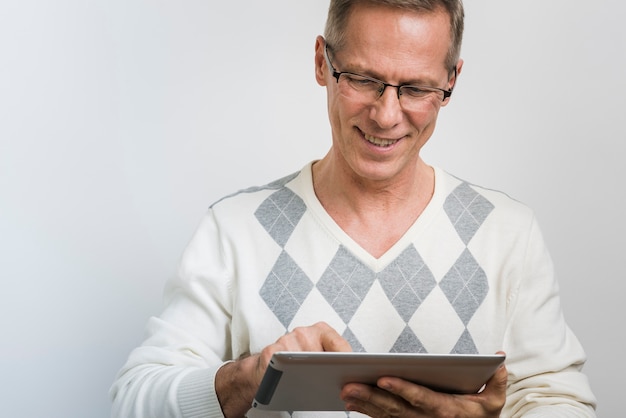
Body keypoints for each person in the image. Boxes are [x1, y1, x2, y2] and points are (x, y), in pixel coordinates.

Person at [110, 1, 597, 417]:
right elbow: (133, 400)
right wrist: (249, 376)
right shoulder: (234, 231)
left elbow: (562, 400)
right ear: (322, 62)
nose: (387, 115)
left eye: (416, 88)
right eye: (363, 79)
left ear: (452, 81)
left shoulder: (506, 233)